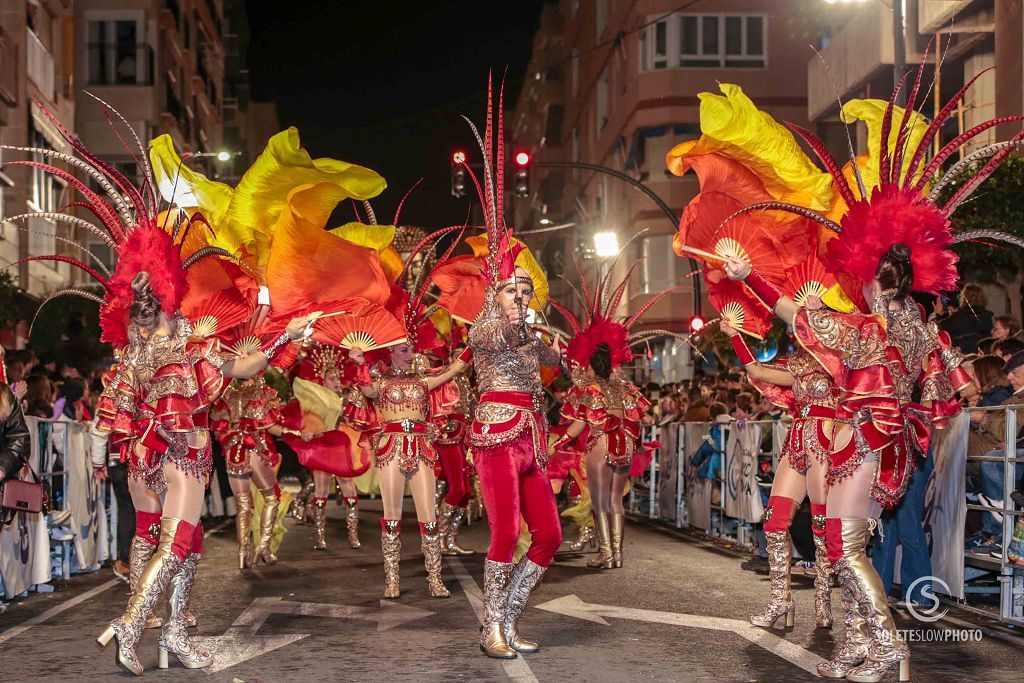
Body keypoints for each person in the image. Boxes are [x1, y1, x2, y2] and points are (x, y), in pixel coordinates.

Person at [667, 74, 1021, 680]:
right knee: (842, 542)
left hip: (858, 442)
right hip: (881, 447)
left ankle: (888, 649)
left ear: (871, 269)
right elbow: (953, 389)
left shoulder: (869, 329)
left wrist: (750, 274)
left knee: (846, 547)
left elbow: (792, 317)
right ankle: (858, 643)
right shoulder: (915, 324)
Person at [727, 326, 838, 631]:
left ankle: (824, 599)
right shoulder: (799, 365)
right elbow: (755, 369)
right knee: (774, 522)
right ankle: (781, 601)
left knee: (821, 524)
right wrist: (734, 334)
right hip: (798, 439)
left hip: (826, 438)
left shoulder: (839, 356)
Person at [350, 339, 468, 599]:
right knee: (392, 516)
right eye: (404, 350)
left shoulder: (423, 381)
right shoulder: (381, 382)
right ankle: (392, 581)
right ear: (390, 351)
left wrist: (477, 340)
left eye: (412, 349)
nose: (411, 354)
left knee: (429, 515)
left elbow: (456, 368)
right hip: (390, 446)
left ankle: (435, 580)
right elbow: (368, 391)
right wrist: (360, 363)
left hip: (421, 446)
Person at [938, 284, 992, 353]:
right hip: (980, 356)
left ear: (964, 298)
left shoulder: (959, 317)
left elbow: (940, 331)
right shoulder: (987, 317)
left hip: (960, 355)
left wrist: (938, 315)